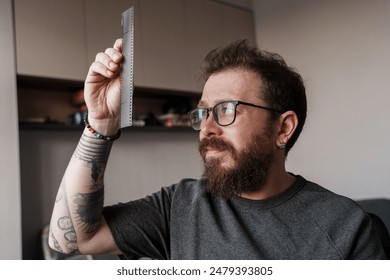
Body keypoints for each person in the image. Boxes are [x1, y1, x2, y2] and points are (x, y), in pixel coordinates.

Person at [49, 39, 386, 259]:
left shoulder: (348, 228)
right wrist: (101, 125)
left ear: (282, 127)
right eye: (203, 112)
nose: (207, 129)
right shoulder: (179, 207)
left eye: (226, 109)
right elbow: (71, 240)